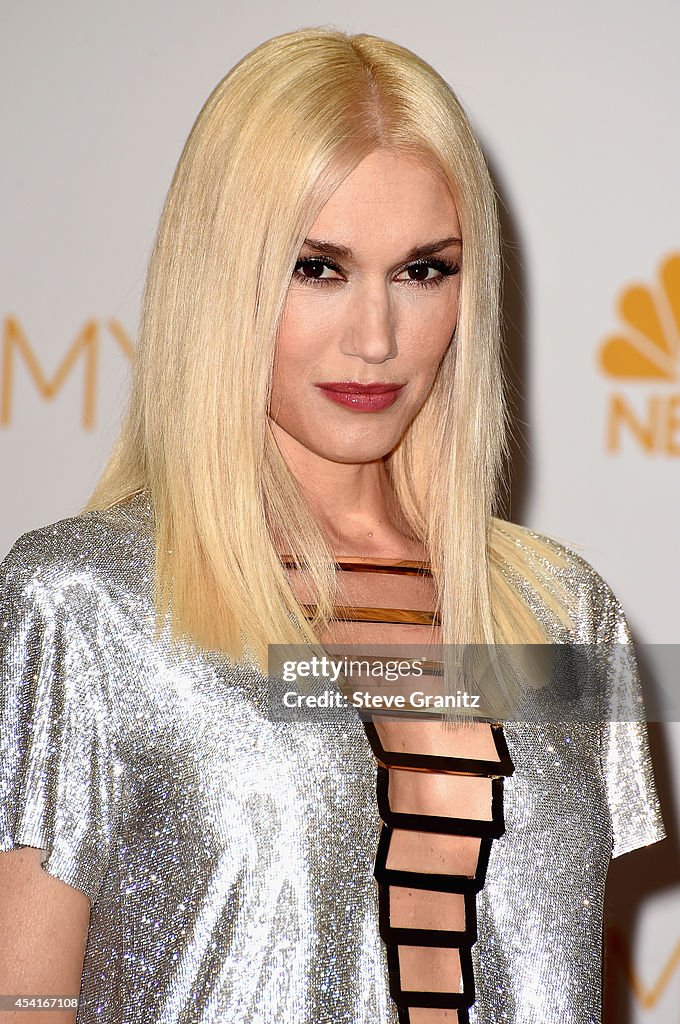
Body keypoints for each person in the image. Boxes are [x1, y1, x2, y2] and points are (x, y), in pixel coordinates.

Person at [0, 25, 665, 1024]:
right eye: (317, 267)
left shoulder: (561, 613)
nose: (374, 337)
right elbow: (26, 998)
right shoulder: (87, 603)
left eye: (422, 270)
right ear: (220, 276)